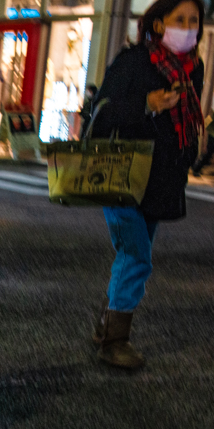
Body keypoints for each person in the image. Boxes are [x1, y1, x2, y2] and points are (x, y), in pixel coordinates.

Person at [88, 0, 205, 368]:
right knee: (137, 256)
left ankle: (107, 325)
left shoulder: (194, 68)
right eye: (179, 19)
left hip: (162, 179)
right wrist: (147, 104)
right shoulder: (134, 61)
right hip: (122, 173)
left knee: (132, 255)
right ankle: (114, 341)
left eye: (194, 20)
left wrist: (187, 161)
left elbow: (186, 123)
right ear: (157, 24)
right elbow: (101, 112)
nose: (188, 27)